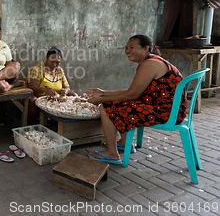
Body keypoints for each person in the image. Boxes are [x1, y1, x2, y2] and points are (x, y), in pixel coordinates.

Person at [85, 34, 187, 165]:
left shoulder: (150, 64)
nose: (127, 51)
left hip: (167, 113)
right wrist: (103, 93)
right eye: (126, 47)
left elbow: (131, 95)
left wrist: (102, 101)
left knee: (106, 107)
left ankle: (112, 153)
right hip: (169, 109)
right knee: (120, 103)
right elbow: (132, 91)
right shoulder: (151, 61)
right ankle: (124, 142)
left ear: (145, 49)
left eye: (131, 47)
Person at [25, 47, 77, 124]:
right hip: (41, 98)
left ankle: (68, 123)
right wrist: (45, 90)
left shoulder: (59, 70)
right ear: (46, 59)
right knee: (32, 100)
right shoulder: (37, 70)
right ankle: (31, 124)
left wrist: (65, 91)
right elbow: (31, 87)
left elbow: (67, 87)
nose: (54, 65)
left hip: (56, 97)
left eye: (57, 62)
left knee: (74, 95)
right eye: (52, 62)